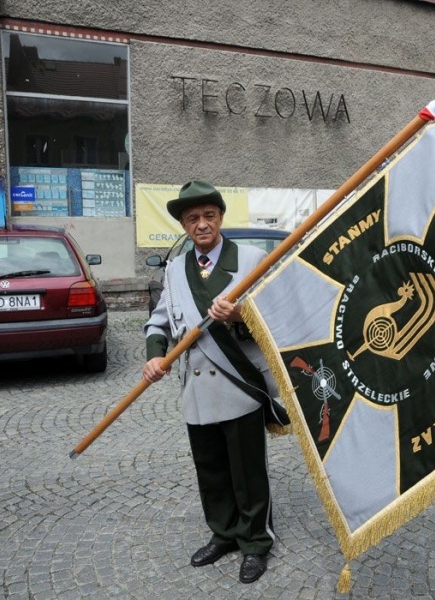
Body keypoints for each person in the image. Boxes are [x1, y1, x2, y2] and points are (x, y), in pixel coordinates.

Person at [142, 181, 287, 585]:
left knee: (247, 471)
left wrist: (241, 315)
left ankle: (256, 541)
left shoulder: (252, 259)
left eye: (208, 215)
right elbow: (159, 321)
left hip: (238, 384)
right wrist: (155, 354)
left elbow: (279, 316)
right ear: (185, 226)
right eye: (192, 219)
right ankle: (224, 533)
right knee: (210, 468)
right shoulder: (174, 269)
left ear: (220, 217)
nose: (201, 224)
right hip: (196, 388)